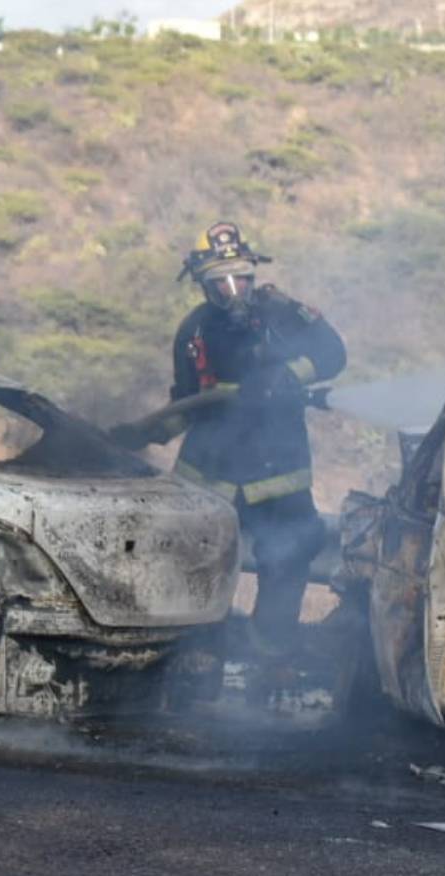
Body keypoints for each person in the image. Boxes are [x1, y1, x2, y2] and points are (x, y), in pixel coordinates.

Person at [158, 222, 346, 658]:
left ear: (253, 275)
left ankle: (270, 662)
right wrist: (150, 431)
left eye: (241, 279)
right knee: (193, 569)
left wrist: (287, 375)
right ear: (204, 286)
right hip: (210, 475)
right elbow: (186, 402)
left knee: (290, 557)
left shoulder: (281, 314)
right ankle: (195, 659)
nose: (233, 291)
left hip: (278, 474)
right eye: (220, 284)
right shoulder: (194, 331)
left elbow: (333, 353)